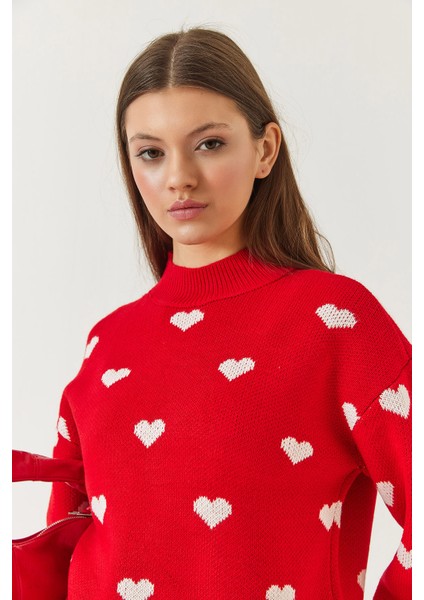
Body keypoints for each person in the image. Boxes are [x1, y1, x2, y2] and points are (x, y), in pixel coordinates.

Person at [47, 27, 412, 599]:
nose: (179, 177)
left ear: (265, 149)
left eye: (210, 143)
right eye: (151, 152)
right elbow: (59, 546)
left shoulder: (336, 321)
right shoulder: (108, 342)